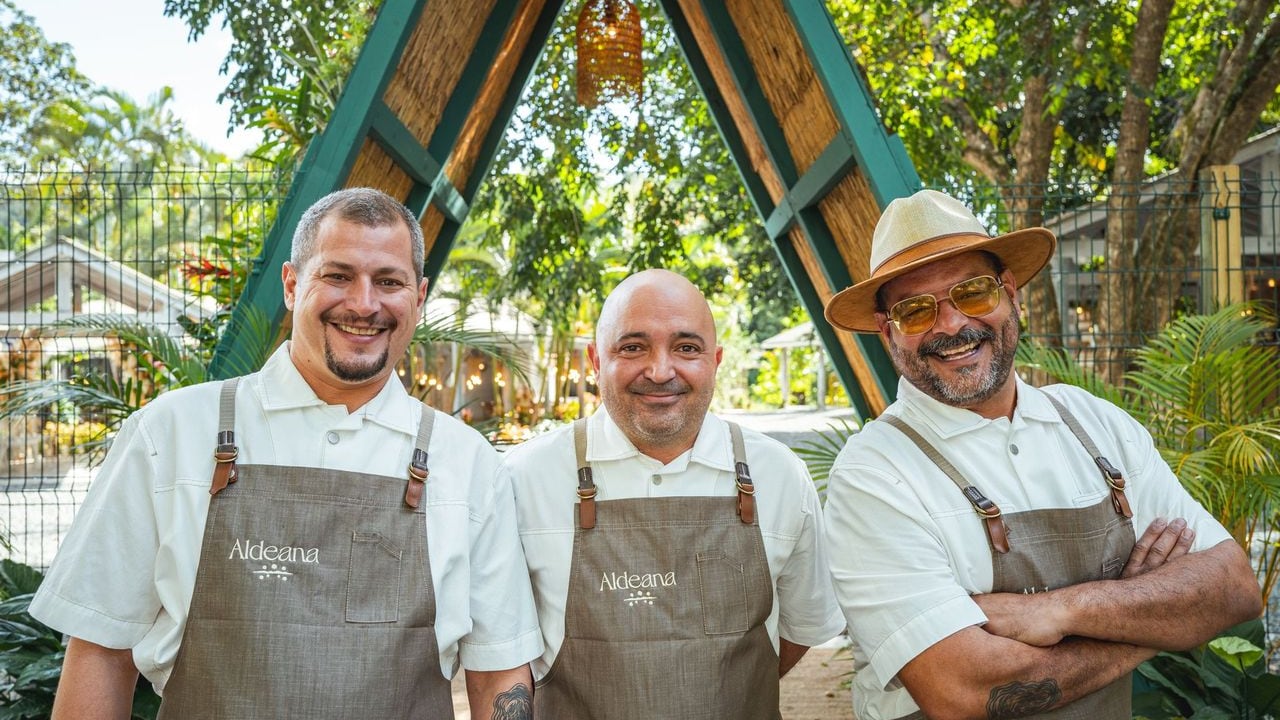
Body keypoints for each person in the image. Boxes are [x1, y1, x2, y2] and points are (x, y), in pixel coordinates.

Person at [31, 188, 541, 719]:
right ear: (292, 285)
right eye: (338, 276)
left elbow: (498, 671)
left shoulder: (469, 464)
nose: (364, 304)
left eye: (389, 281)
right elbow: (101, 650)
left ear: (419, 296)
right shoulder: (170, 434)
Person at [820, 189, 1262, 720]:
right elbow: (963, 690)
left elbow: (1234, 588)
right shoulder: (873, 474)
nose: (952, 324)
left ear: (1011, 294)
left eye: (973, 293)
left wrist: (1059, 610)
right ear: (887, 331)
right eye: (915, 311)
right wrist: (1152, 618)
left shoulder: (1095, 423)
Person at [499, 268, 846, 719]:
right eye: (633, 347)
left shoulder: (779, 475)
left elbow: (800, 630)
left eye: (686, 348)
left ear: (715, 361)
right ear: (596, 361)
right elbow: (500, 649)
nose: (661, 371)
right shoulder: (523, 478)